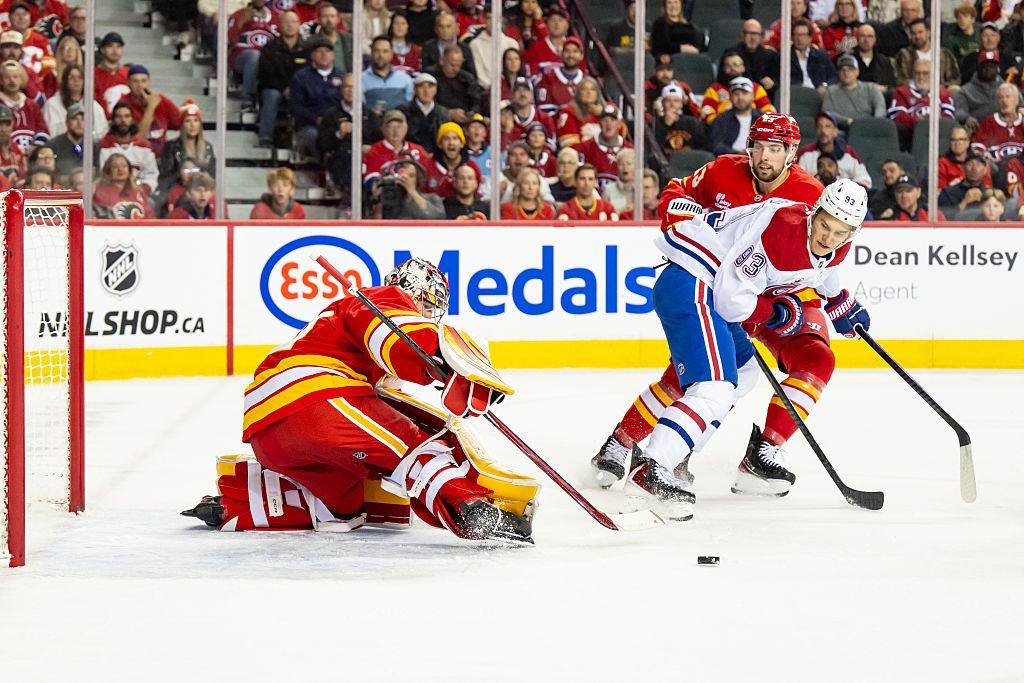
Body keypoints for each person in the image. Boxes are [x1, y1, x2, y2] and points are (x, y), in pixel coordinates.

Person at [181, 257, 534, 542]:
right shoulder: (383, 298)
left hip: (268, 428)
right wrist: (438, 355)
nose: (432, 313)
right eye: (431, 302)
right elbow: (397, 331)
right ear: (416, 291)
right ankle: (471, 510)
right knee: (417, 447)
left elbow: (389, 395)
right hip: (316, 399)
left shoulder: (348, 329)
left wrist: (444, 373)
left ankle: (236, 502)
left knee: (342, 509)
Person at [608, 178, 871, 518]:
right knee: (713, 389)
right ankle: (651, 470)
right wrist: (776, 313)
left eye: (841, 232)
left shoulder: (833, 242)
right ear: (814, 212)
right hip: (693, 282)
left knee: (744, 373)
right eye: (824, 225)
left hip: (708, 288)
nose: (828, 238)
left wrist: (837, 300)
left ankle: (673, 456)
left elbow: (825, 264)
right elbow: (732, 302)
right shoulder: (782, 235)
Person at [589, 113, 825, 488]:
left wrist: (824, 299)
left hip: (762, 296)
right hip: (711, 289)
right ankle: (625, 444)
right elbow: (675, 193)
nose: (764, 157)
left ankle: (729, 453)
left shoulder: (810, 195)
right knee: (693, 379)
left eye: (775, 149)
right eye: (758, 147)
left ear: (791, 152)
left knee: (795, 362)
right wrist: (696, 228)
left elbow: (818, 257)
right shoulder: (722, 171)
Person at [256, 9, 306, 148]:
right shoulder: (270, 48)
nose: (290, 25)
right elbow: (266, 75)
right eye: (286, 22)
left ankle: (303, 142)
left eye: (293, 22)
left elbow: (307, 75)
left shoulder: (307, 49)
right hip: (275, 89)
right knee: (271, 95)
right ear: (280, 25)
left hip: (298, 90)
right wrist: (284, 88)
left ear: (299, 24)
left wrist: (294, 89)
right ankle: (265, 138)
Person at [291, 34, 345, 158]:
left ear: (333, 55)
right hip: (310, 125)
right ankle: (327, 165)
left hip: (336, 123)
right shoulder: (301, 77)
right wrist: (315, 119)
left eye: (327, 51)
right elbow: (296, 106)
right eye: (319, 51)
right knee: (315, 136)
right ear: (312, 55)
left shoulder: (342, 76)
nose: (323, 54)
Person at [155, 98, 214, 211]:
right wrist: (182, 174)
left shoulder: (208, 147)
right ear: (182, 125)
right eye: (188, 121)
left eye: (196, 120)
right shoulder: (171, 146)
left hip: (202, 192)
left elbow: (212, 176)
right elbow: (165, 178)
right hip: (176, 190)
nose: (192, 125)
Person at [887, 59, 955, 151]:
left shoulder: (943, 92)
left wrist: (939, 117)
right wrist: (916, 120)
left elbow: (949, 116)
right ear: (912, 74)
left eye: (925, 73)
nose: (921, 77)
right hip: (911, 134)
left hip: (939, 132)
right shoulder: (901, 92)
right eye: (917, 73)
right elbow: (896, 116)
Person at [227, 0, 280, 113]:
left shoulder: (276, 17)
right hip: (243, 57)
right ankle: (247, 100)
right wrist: (241, 22)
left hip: (269, 59)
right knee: (254, 56)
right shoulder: (237, 15)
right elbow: (230, 41)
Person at [118, 65, 180, 158]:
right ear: (128, 83)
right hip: (133, 158)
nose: (140, 85)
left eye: (144, 81)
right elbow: (138, 139)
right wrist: (151, 107)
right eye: (135, 81)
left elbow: (180, 122)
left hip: (159, 159)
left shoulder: (161, 100)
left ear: (149, 82)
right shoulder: (123, 104)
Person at [98, 101, 158, 197]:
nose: (123, 120)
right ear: (113, 120)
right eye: (119, 116)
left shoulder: (144, 147)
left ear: (132, 120)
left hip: (140, 194)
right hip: (111, 195)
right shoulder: (103, 146)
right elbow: (102, 177)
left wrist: (142, 191)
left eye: (127, 116)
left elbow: (151, 175)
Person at [796, 111, 871, 188]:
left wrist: (846, 191)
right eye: (819, 126)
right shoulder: (805, 152)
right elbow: (796, 181)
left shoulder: (848, 152)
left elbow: (865, 181)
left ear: (835, 131)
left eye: (827, 126)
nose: (823, 131)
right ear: (816, 131)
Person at [363, 109, 429, 192]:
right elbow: (371, 180)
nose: (396, 131)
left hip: (416, 197)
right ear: (383, 129)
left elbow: (427, 177)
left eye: (399, 126)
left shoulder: (418, 150)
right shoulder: (374, 152)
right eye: (391, 127)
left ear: (406, 128)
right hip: (388, 198)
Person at [701, 50, 774, 123]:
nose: (732, 68)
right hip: (723, 128)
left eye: (737, 64)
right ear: (723, 68)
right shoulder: (714, 89)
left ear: (743, 67)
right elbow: (707, 111)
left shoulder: (755, 88)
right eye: (728, 65)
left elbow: (768, 110)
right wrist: (719, 125)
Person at [577, 103, 634, 190]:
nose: (608, 124)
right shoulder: (585, 148)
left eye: (612, 120)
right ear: (599, 123)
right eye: (605, 120)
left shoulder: (630, 149)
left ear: (619, 124)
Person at [42, 63, 106, 138]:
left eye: (80, 77)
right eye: (72, 77)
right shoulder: (52, 104)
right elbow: (51, 132)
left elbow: (101, 132)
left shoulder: (94, 106)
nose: (76, 80)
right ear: (65, 81)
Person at [892, 18, 960, 88]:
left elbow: (955, 79)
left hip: (941, 93)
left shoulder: (944, 54)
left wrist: (939, 88)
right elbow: (900, 79)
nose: (917, 36)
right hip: (913, 93)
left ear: (928, 33)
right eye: (913, 33)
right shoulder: (904, 54)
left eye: (920, 32)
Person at [821, 54, 886, 127]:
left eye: (850, 69)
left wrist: (875, 122)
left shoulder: (870, 88)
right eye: (843, 70)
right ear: (838, 73)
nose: (846, 73)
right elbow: (827, 112)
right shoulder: (831, 90)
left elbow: (880, 107)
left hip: (868, 127)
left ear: (857, 71)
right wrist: (846, 121)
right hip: (842, 129)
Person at [43, 101, 96, 188]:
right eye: (75, 118)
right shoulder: (53, 146)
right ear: (67, 122)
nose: (79, 123)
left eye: (83, 119)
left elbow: (97, 177)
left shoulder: (93, 147)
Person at [955, 50, 1019, 123]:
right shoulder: (965, 91)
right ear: (978, 67)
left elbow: (1020, 107)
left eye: (992, 66)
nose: (988, 69)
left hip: (1006, 127)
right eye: (985, 65)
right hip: (977, 128)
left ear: (998, 69)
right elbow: (959, 111)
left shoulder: (1009, 89)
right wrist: (966, 118)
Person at [372, 156, 445, 219]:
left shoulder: (432, 198)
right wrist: (378, 203)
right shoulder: (390, 199)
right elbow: (376, 226)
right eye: (402, 175)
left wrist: (412, 192)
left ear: (418, 179)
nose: (406, 179)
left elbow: (438, 217)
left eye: (411, 176)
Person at [708, 77, 764, 157]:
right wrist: (737, 154)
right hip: (730, 162)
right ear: (731, 97)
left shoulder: (762, 119)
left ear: (752, 96)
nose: (740, 97)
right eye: (736, 94)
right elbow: (716, 146)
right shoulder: (721, 119)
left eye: (744, 93)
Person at [425, 120, 482, 197]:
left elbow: (474, 197)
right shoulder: (427, 166)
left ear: (461, 144)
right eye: (446, 138)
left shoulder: (472, 167)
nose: (451, 142)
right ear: (440, 144)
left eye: (455, 138)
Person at [428, 44, 483, 124]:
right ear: (442, 60)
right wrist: (448, 113)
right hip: (437, 120)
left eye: (459, 65)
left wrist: (472, 112)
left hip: (464, 121)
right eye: (452, 65)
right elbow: (426, 103)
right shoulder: (431, 76)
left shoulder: (467, 78)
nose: (456, 69)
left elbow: (477, 102)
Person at [971, 81, 1024, 163]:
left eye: (1008, 97)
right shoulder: (988, 122)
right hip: (995, 166)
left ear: (1016, 100)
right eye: (1000, 97)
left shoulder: (1023, 120)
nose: (1004, 101)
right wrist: (983, 154)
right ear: (997, 102)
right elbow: (977, 147)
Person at [0, 60, 47, 152]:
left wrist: (35, 150)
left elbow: (42, 131)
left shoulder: (32, 105)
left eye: (15, 77)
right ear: (1, 80)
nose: (12, 80)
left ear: (21, 79)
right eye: (7, 77)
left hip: (32, 157)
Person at [466, 5, 517, 90]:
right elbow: (480, 76)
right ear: (484, 19)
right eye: (489, 18)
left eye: (496, 18)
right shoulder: (475, 45)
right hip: (487, 92)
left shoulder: (511, 43)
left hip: (511, 90)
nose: (493, 22)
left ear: (501, 19)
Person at [397, 72, 449, 155]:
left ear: (435, 90)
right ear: (415, 89)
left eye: (430, 86)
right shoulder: (403, 110)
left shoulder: (442, 113)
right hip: (410, 155)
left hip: (436, 156)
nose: (426, 91)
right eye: (421, 86)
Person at [92, 152, 155, 219]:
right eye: (115, 167)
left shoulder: (138, 191)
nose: (120, 169)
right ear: (108, 171)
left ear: (129, 170)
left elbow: (150, 217)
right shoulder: (99, 191)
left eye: (124, 166)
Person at [535, 36, 585, 117]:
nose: (571, 55)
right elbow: (545, 115)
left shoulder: (586, 80)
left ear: (581, 56)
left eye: (575, 51)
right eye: (567, 51)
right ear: (561, 54)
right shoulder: (547, 79)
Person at [362, 36, 414, 113]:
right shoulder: (361, 79)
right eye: (377, 51)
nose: (381, 55)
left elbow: (410, 106)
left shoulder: (404, 78)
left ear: (391, 54)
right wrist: (371, 113)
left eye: (385, 51)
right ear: (371, 53)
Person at [653, 82, 707, 154]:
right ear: (662, 103)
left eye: (676, 101)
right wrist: (666, 124)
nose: (672, 104)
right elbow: (655, 150)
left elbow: (703, 147)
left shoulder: (692, 123)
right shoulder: (654, 124)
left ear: (681, 104)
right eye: (668, 100)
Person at [733, 19, 779, 102]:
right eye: (749, 33)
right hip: (739, 99)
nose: (753, 38)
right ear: (743, 34)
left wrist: (772, 84)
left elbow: (777, 82)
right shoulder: (732, 54)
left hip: (763, 100)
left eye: (756, 34)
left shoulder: (770, 56)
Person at [523, 6, 575, 79]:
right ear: (546, 24)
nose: (556, 23)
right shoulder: (535, 47)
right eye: (553, 20)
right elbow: (530, 75)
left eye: (560, 20)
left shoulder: (574, 48)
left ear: (567, 25)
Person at [556, 76, 607, 149]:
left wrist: (604, 114)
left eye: (592, 89)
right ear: (578, 93)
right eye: (584, 89)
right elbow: (570, 146)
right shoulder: (569, 112)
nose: (588, 92)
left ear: (597, 93)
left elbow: (620, 136)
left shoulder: (609, 109)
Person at [790, 17, 837, 95]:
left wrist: (825, 85)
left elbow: (834, 77)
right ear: (792, 37)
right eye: (796, 35)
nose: (799, 39)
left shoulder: (821, 56)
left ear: (810, 38)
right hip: (796, 96)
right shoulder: (785, 57)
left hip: (818, 95)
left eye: (803, 35)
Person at [937, 150, 991, 216]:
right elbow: (942, 219)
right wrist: (964, 202)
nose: (974, 168)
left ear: (985, 170)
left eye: (978, 165)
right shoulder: (947, 193)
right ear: (962, 168)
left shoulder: (990, 194)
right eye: (970, 164)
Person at [939, 125, 993, 189]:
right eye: (954, 140)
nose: (957, 143)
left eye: (961, 139)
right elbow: (940, 192)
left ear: (968, 142)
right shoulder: (942, 163)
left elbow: (987, 191)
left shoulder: (980, 163)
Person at [508, 77, 555, 149]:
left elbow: (551, 145)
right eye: (518, 90)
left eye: (526, 90)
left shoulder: (544, 118)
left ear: (531, 94)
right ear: (512, 94)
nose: (522, 94)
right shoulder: (506, 118)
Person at [422, 12, 474, 77]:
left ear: (457, 27)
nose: (445, 30)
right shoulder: (428, 47)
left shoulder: (465, 48)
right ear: (436, 29)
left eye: (448, 26)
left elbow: (472, 74)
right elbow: (425, 73)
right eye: (441, 26)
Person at [310, 2, 354, 74]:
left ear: (338, 19)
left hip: (346, 81)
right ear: (318, 20)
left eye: (332, 16)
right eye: (325, 16)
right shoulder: (311, 42)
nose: (329, 20)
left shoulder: (349, 40)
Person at [851, 23, 895, 93]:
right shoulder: (849, 60)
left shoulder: (884, 61)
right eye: (862, 36)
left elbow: (891, 84)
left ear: (874, 40)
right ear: (857, 38)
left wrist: (883, 88)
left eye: (870, 36)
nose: (866, 40)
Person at [93, 31, 129, 116]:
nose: (115, 50)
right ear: (102, 49)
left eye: (118, 46)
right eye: (110, 46)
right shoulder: (93, 74)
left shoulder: (129, 73)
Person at [42, 34, 81, 99]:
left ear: (77, 52)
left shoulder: (84, 74)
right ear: (60, 51)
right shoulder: (51, 75)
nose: (69, 51)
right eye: (66, 48)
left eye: (73, 48)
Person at [601, 148, 636, 214]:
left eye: (629, 164)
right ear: (617, 167)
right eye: (621, 164)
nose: (625, 167)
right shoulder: (608, 189)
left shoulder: (642, 188)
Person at [0, 103, 25, 185]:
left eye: (7, 124)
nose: (3, 129)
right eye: (0, 124)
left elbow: (22, 184)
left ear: (13, 124)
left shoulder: (18, 151)